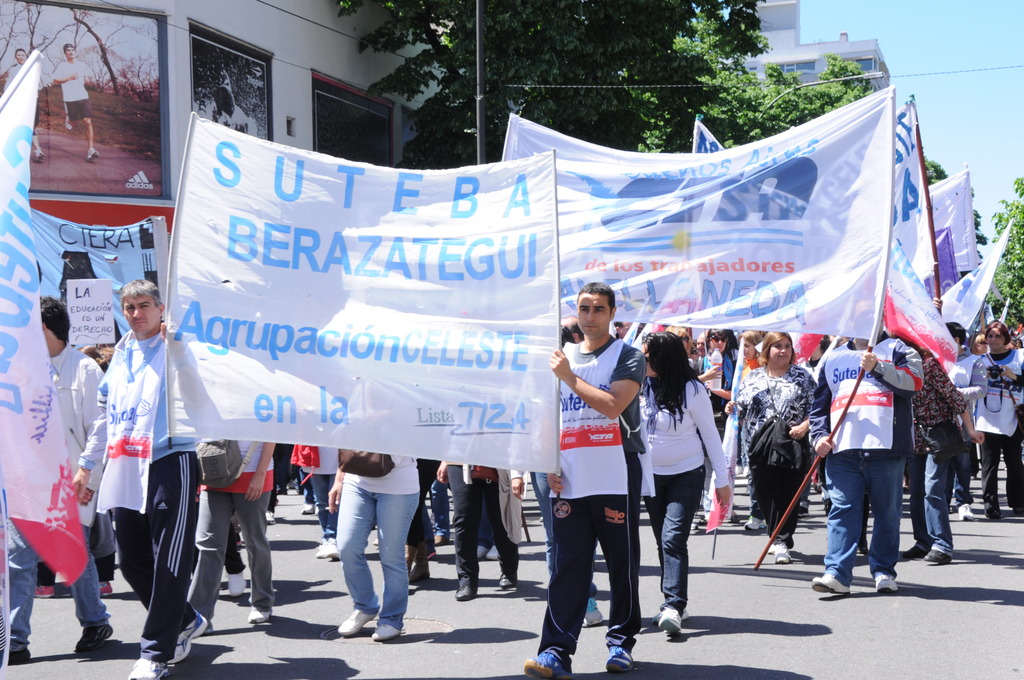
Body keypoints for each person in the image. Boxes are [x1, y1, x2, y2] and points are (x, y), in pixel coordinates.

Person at [73, 280, 205, 680]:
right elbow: (105, 416)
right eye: (129, 307)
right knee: (131, 560)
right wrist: (87, 464)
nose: (136, 314)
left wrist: (180, 350)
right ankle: (185, 619)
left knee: (170, 561)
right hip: (127, 464)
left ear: (161, 308)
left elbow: (199, 395)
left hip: (170, 459)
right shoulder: (122, 351)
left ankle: (155, 653)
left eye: (144, 305)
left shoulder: (178, 345)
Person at [525, 282, 652, 678]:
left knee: (621, 563)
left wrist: (568, 376)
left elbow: (612, 405)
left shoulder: (627, 356)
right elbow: (550, 414)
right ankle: (555, 651)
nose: (590, 316)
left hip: (615, 472)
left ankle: (621, 643)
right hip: (571, 476)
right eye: (584, 308)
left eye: (599, 309)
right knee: (568, 565)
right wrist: (548, 460)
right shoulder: (561, 358)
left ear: (612, 313)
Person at [7, 297, 113, 665]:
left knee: (73, 556)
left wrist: (89, 473)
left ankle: (95, 621)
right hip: (27, 482)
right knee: (18, 559)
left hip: (70, 480)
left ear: (42, 329)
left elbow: (100, 427)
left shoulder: (84, 369)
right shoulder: (18, 370)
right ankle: (15, 639)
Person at [808, 334, 922, 595]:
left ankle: (883, 571)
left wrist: (878, 367)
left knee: (887, 513)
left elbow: (915, 383)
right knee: (842, 510)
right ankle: (836, 573)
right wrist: (819, 436)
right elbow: (820, 405)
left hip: (887, 449)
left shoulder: (898, 349)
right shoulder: (833, 356)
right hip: (842, 449)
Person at [640, 332, 730, 635]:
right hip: (651, 477)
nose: (643, 361)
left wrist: (722, 480)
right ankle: (674, 600)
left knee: (673, 539)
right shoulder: (640, 386)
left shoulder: (692, 389)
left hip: (686, 474)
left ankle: (673, 605)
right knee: (662, 540)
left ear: (664, 358)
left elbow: (710, 436)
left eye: (648, 357)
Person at [730, 332, 815, 565]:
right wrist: (732, 407)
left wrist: (805, 426)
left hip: (791, 442)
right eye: (778, 346)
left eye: (787, 346)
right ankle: (775, 534)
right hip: (760, 443)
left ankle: (781, 540)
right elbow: (742, 406)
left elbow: (817, 408)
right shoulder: (754, 376)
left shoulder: (802, 377)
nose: (783, 350)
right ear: (767, 350)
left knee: (788, 494)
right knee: (764, 493)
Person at [902, 345, 984, 564]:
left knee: (933, 489)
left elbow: (956, 399)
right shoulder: (899, 368)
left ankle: (942, 545)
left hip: (939, 436)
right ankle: (923, 542)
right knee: (917, 491)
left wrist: (970, 430)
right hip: (916, 438)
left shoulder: (930, 366)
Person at [330, 450, 420, 641]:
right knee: (347, 547)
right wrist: (339, 479)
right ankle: (365, 607)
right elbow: (345, 439)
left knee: (391, 556)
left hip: (398, 485)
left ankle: (392, 618)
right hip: (356, 481)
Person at [188, 441, 276, 628]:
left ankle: (262, 602)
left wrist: (260, 474)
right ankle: (198, 617)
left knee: (255, 542)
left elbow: (271, 436)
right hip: (213, 472)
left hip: (252, 472)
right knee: (208, 546)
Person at [438, 460, 523, 601]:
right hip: (459, 460)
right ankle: (467, 581)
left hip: (495, 460)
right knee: (464, 519)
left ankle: (509, 569)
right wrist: (445, 460)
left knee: (501, 518)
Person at [973, 321, 1024, 519]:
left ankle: (1018, 502)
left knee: (1014, 463)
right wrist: (982, 377)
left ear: (1005, 338)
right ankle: (991, 506)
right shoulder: (979, 360)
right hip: (986, 419)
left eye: (997, 336)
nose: (993, 340)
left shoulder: (1019, 357)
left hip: (1012, 418)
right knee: (989, 464)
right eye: (990, 336)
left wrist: (1014, 376)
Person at [945, 322, 986, 520]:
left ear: (956, 340)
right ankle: (942, 503)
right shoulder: (935, 360)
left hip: (964, 422)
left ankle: (962, 503)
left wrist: (953, 393)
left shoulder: (974, 361)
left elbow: (980, 389)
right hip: (938, 422)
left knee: (962, 464)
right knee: (941, 465)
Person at [51, 43, 98, 161]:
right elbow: (54, 81)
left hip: (83, 97)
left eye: (72, 50)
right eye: (68, 50)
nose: (71, 52)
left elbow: (87, 76)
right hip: (69, 99)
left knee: (87, 121)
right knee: (74, 122)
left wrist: (87, 79)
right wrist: (69, 78)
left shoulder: (82, 65)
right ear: (65, 53)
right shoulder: (62, 65)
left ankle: (91, 149)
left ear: (75, 52)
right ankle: (69, 119)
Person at [2, 48, 45, 161]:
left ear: (26, 57)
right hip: (19, 102)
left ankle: (36, 150)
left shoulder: (33, 68)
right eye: (18, 55)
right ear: (16, 57)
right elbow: (8, 86)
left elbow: (40, 85)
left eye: (23, 55)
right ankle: (34, 150)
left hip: (32, 101)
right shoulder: (13, 70)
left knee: (32, 126)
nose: (21, 57)